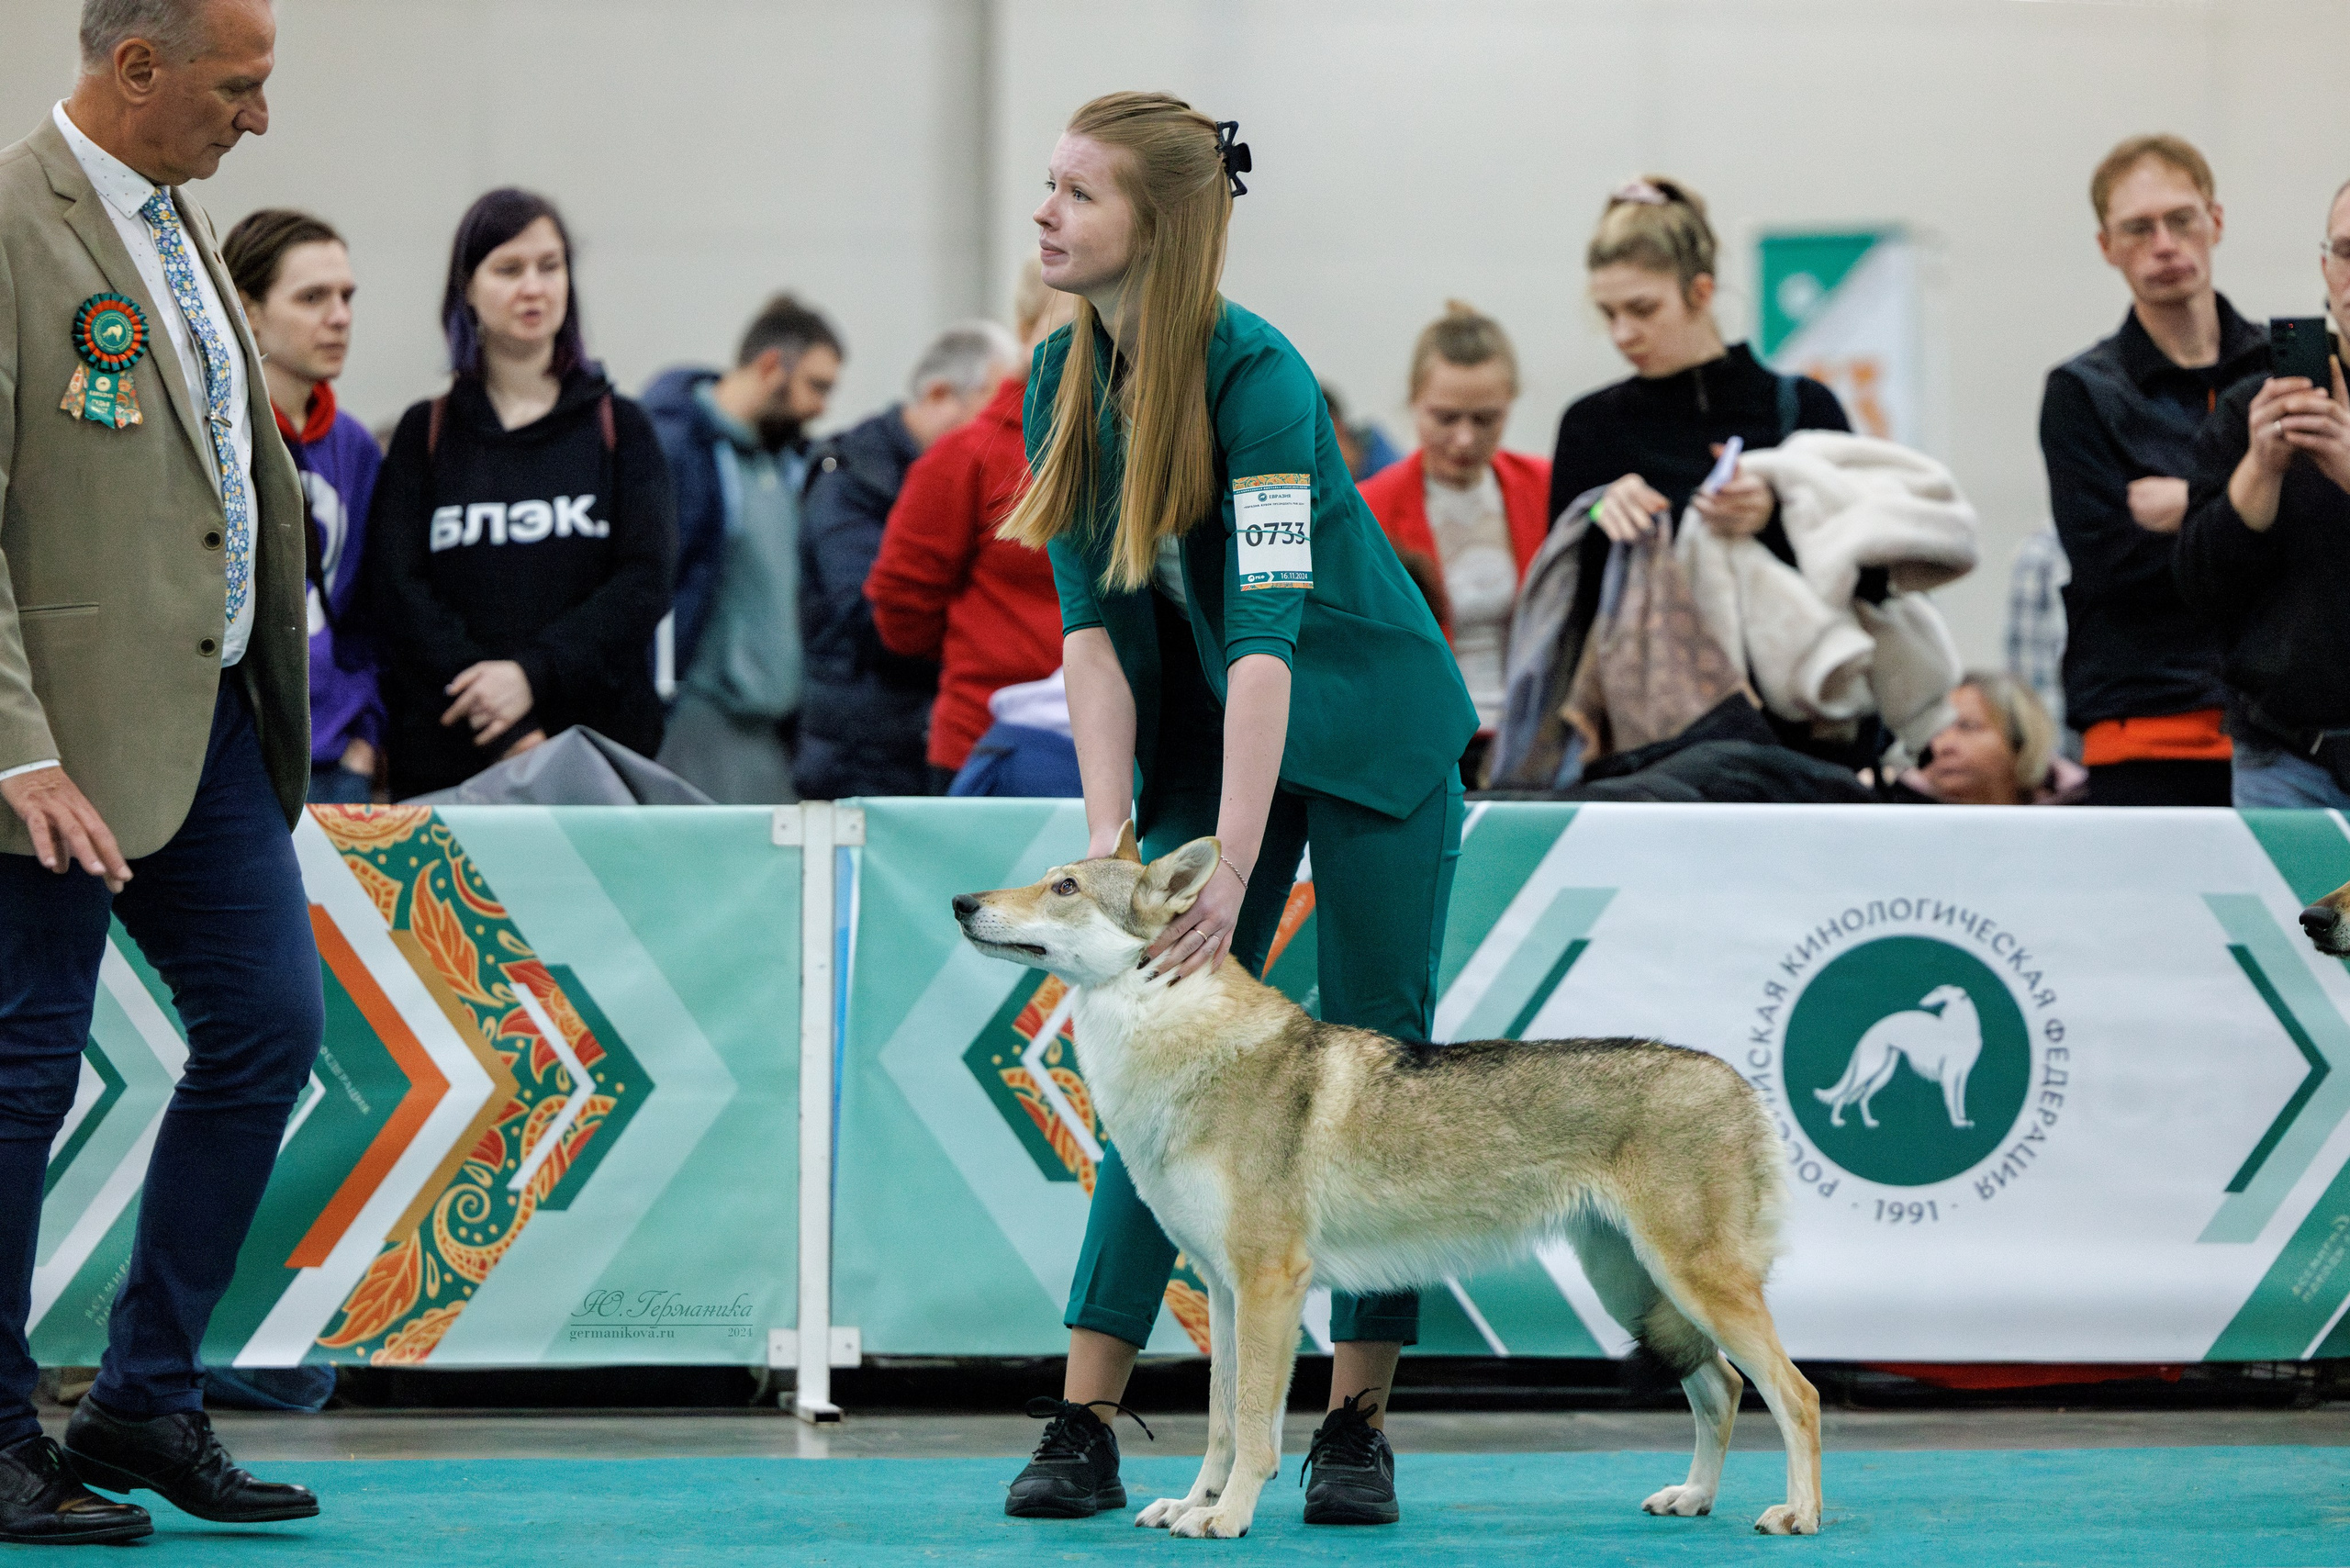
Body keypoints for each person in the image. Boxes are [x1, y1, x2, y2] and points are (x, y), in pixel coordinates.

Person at [997, 92, 1477, 1530]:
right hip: (1212, 735)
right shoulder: (1055, 375)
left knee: (1388, 1073)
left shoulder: (1261, 375)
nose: (1045, 213)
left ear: (1159, 223)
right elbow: (1091, 636)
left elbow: (1269, 638)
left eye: (1078, 192)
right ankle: (1084, 1421)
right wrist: (1111, 851)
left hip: (1370, 726)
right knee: (1158, 1060)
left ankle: (1356, 1429)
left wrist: (1234, 867)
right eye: (1048, 184)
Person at [0, 0, 325, 1540]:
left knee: (269, 1029)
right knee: (22, 1080)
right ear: (137, 68)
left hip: (209, 727)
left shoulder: (173, 217)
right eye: (237, 87)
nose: (257, 119)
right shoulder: (13, 222)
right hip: (46, 756)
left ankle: (143, 1396)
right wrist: (16, 749)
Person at [364, 189, 675, 801]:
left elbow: (645, 582)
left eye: (549, 266)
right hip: (451, 762)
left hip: (597, 759)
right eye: (509, 269)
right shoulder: (424, 434)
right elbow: (398, 592)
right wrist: (500, 714)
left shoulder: (622, 427)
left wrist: (532, 675)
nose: (533, 287)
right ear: (467, 289)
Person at [1544, 177, 1858, 761]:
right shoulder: (1590, 425)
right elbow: (1569, 607)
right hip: (1649, 749)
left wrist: (1773, 515)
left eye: (1643, 309)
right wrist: (1599, 510)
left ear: (1701, 292)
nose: (1623, 334)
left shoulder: (1804, 409)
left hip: (1802, 739)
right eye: (1608, 314)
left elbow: (1862, 571)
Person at [2040, 135, 2260, 807]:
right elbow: (2115, 568)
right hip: (2148, 728)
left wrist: (2192, 503)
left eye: (2180, 219)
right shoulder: (2083, 392)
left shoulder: (2282, 372)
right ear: (2107, 246)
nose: (2164, 245)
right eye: (2138, 228)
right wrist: (2257, 501)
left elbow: (2320, 541)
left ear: (2215, 221)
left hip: (2290, 731)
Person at [2178, 179, 2350, 810]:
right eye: (2347, 252)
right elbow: (2199, 586)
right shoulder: (2253, 408)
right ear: (2325, 267)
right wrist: (2261, 469)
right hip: (2286, 756)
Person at [795, 321, 1021, 799]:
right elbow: (865, 611)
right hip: (861, 749)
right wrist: (984, 629)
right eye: (993, 400)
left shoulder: (951, 474)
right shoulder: (851, 476)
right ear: (939, 394)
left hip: (923, 733)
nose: (1004, 422)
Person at [867, 262, 1070, 791]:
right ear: (1025, 332)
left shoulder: (1140, 453)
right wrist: (987, 651)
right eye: (1072, 322)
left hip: (1119, 748)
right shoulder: (964, 457)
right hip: (988, 745)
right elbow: (901, 604)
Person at [643, 295, 841, 802]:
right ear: (771, 366)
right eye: (816, 385)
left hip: (774, 730)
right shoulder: (673, 450)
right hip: (695, 719)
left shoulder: (792, 462)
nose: (821, 407)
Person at [223, 207, 383, 806]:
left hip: (339, 756)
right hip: (236, 759)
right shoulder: (214, 438)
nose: (339, 317)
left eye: (346, 296)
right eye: (312, 297)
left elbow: (374, 606)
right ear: (248, 310)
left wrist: (368, 736)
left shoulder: (355, 446)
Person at [1357, 301, 1552, 784]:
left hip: (1533, 741)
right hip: (1422, 745)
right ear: (1413, 401)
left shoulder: (1546, 487)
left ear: (1510, 404)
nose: (1464, 439)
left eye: (1485, 419)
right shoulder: (1369, 509)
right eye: (1445, 418)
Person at [1894, 673, 2085, 806]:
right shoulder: (1895, 811)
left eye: (1968, 726)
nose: (1941, 746)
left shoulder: (2082, 813)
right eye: (1936, 731)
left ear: (2020, 740)